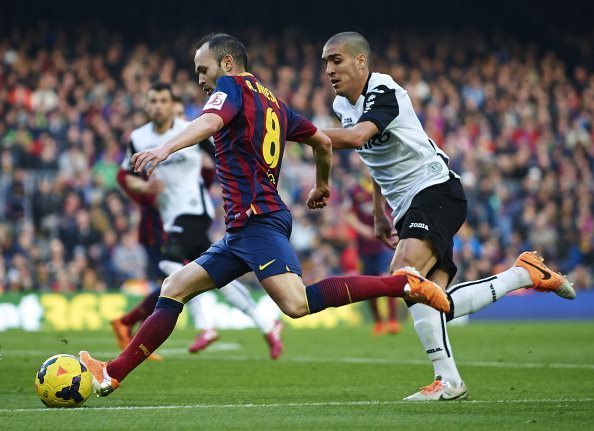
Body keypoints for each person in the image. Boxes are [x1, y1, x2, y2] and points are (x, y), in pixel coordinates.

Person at [79, 32, 450, 396]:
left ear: (227, 63)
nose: (200, 80)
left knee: (296, 303)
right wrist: (322, 184)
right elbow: (321, 141)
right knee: (174, 287)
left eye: (202, 69)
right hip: (244, 227)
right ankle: (112, 373)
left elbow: (210, 123)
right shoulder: (275, 103)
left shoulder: (232, 87)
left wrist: (164, 149)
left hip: (257, 218)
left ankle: (402, 283)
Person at [320, 31, 576, 401]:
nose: (329, 69)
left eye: (336, 60)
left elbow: (359, 138)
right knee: (431, 301)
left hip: (435, 189)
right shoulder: (343, 106)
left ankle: (519, 281)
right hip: (409, 204)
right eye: (325, 62)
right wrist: (379, 211)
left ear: (361, 61)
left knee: (404, 277)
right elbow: (372, 157)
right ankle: (520, 278)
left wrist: (294, 133)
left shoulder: (383, 91)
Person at [112, 82, 284, 361]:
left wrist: (220, 175)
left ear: (172, 104)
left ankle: (205, 326)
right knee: (216, 274)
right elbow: (123, 175)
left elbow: (223, 153)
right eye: (152, 101)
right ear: (147, 105)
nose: (157, 106)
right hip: (170, 218)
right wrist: (141, 188)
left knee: (170, 264)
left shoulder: (189, 129)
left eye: (163, 101)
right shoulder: (138, 137)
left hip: (194, 210)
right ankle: (267, 324)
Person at [344, 175, 400, 336]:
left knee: (387, 278)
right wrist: (362, 229)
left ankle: (393, 320)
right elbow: (347, 214)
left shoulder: (386, 184)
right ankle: (378, 322)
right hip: (364, 247)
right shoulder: (355, 190)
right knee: (368, 285)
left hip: (384, 243)